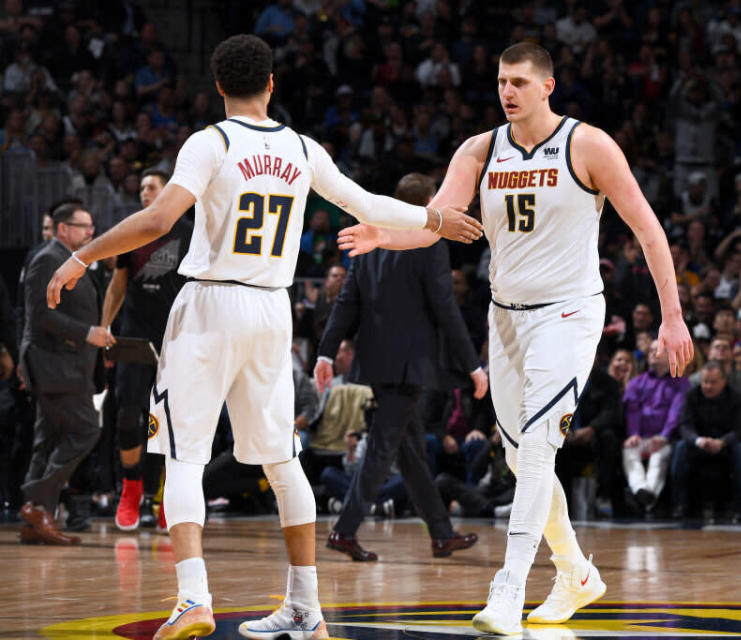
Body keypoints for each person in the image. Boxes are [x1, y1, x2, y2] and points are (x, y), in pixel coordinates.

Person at [46, 34, 482, 640]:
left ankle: (194, 599)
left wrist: (83, 257)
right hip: (272, 312)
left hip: (210, 307)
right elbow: (366, 204)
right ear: (272, 83)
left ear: (218, 86)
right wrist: (435, 218)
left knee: (183, 456)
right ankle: (307, 606)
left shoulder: (212, 141)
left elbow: (156, 220)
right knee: (283, 462)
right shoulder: (304, 149)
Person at [336, 42, 693, 635]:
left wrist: (672, 315)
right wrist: (385, 235)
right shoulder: (480, 150)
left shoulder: (588, 145)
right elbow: (437, 223)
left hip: (568, 313)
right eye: (502, 81)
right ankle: (577, 571)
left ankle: (508, 588)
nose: (508, 91)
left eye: (520, 82)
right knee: (518, 453)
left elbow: (649, 230)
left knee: (536, 448)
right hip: (505, 318)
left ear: (547, 87)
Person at [316, 172, 484, 562]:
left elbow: (346, 303)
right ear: (427, 203)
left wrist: (326, 353)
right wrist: (473, 364)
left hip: (376, 361)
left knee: (408, 450)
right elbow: (446, 309)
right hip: (410, 364)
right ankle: (344, 530)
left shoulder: (372, 235)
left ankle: (441, 534)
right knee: (381, 447)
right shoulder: (428, 240)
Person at [100, 168, 192, 532]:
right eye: (140, 188)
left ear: (169, 190)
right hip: (134, 336)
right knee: (127, 415)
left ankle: (169, 495)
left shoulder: (190, 232)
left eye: (151, 187)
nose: (144, 193)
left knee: (174, 423)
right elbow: (117, 285)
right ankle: (132, 488)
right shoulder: (133, 231)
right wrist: (103, 327)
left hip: (178, 339)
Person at [19, 202, 114, 546]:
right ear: (63, 229)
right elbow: (41, 315)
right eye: (83, 226)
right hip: (55, 365)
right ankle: (35, 498)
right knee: (87, 430)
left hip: (66, 365)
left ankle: (36, 517)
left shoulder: (77, 260)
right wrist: (89, 333)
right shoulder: (47, 258)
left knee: (47, 441)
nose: (91, 232)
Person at [671, 361, 741, 521]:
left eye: (713, 382)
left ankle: (739, 508)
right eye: (705, 381)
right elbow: (685, 426)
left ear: (724, 381)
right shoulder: (691, 396)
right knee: (680, 447)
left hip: (727, 445)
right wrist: (698, 440)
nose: (707, 386)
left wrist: (722, 442)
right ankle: (680, 505)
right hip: (700, 444)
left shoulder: (738, 398)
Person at [622, 340, 689, 513]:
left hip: (666, 438)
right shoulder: (637, 382)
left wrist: (664, 436)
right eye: (651, 350)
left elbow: (677, 412)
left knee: (658, 457)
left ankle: (644, 498)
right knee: (629, 451)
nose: (652, 353)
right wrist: (634, 434)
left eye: (658, 350)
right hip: (641, 436)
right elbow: (632, 411)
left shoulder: (680, 382)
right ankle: (642, 491)